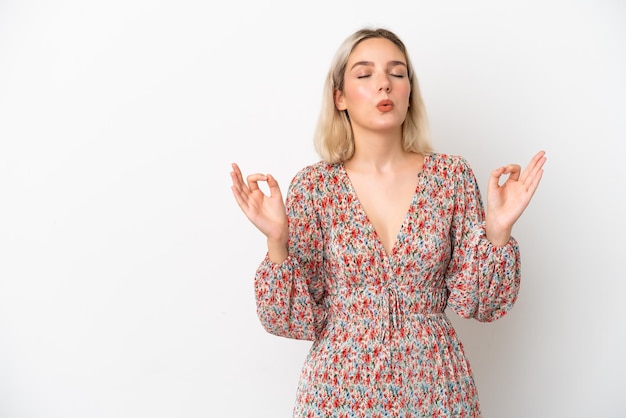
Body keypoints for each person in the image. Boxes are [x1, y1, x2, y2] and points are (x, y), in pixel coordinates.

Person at [230, 27, 546, 417]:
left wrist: (497, 231)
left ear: (409, 92)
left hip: (435, 389)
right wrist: (277, 241)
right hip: (338, 391)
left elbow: (479, 304)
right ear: (339, 97)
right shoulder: (314, 187)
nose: (384, 84)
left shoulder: (450, 177)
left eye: (397, 74)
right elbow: (291, 320)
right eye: (365, 75)